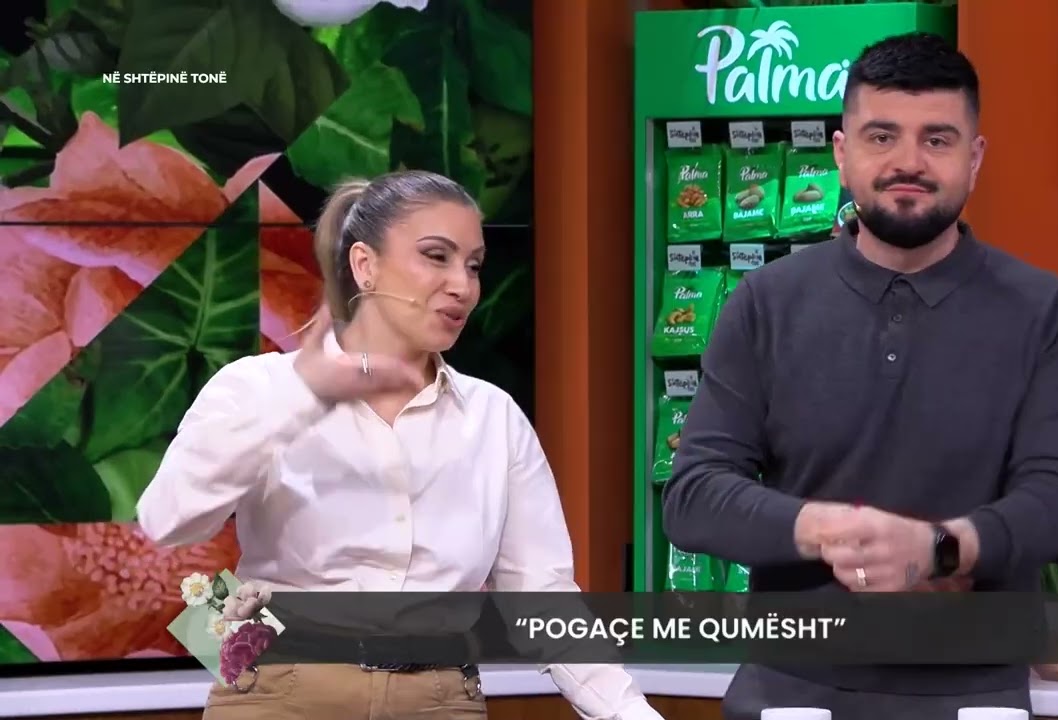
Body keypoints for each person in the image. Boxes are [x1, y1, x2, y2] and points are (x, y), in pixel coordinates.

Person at [661, 32, 1058, 720]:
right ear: (842, 154)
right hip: (788, 695)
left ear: (975, 158)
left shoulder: (1044, 311)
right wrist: (827, 528)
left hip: (973, 699)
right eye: (882, 136)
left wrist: (939, 548)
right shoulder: (765, 302)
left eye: (937, 139)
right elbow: (694, 495)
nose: (908, 162)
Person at [136, 170, 666, 720]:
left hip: (440, 698)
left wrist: (630, 713)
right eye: (436, 257)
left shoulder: (493, 417)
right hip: (278, 690)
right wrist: (304, 397)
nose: (462, 286)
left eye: (474, 265)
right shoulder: (260, 387)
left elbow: (543, 596)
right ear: (364, 265)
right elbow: (168, 520)